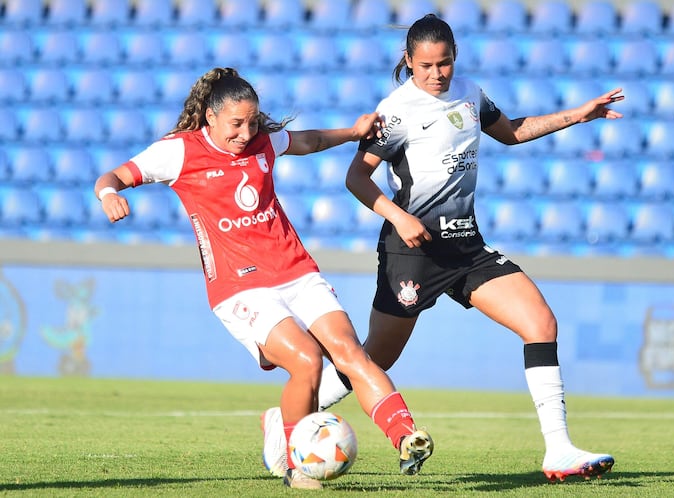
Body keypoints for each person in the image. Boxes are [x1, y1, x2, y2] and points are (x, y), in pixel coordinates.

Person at [263, 15, 621, 482]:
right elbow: (356, 177)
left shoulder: (470, 94)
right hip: (411, 252)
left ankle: (558, 450)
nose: (437, 74)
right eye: (426, 65)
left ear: (456, 58)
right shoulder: (396, 111)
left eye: (445, 63)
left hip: (466, 247)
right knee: (376, 358)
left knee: (540, 322)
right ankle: (285, 423)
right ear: (409, 61)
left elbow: (510, 131)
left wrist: (578, 114)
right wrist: (399, 216)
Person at [93, 67, 434, 490]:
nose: (246, 131)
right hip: (239, 287)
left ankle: (406, 436)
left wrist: (352, 131)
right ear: (210, 116)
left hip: (296, 270)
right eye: (236, 123)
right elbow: (113, 177)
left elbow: (308, 141)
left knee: (349, 351)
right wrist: (109, 196)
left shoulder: (261, 143)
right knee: (307, 360)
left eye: (253, 121)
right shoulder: (178, 152)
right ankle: (297, 467)